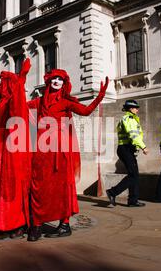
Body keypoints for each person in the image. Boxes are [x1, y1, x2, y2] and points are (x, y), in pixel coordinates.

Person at [27, 70, 109, 241]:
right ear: (48, 81)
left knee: (62, 188)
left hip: (60, 154)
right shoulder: (38, 102)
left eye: (61, 79)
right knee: (39, 187)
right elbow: (20, 107)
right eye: (54, 78)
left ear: (64, 83)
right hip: (41, 153)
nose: (57, 81)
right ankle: (36, 225)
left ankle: (64, 225)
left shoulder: (66, 102)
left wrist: (100, 96)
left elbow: (86, 111)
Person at [0, 58, 31, 241]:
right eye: (0, 82)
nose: (0, 86)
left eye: (4, 83)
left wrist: (22, 77)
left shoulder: (14, 101)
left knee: (10, 188)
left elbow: (18, 101)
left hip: (10, 149)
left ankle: (16, 223)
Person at [106, 100, 148, 208]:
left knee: (134, 175)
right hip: (125, 149)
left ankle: (133, 200)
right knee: (133, 175)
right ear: (130, 109)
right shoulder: (129, 119)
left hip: (127, 149)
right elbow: (133, 134)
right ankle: (112, 192)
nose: (137, 110)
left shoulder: (131, 119)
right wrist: (143, 146)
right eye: (135, 108)